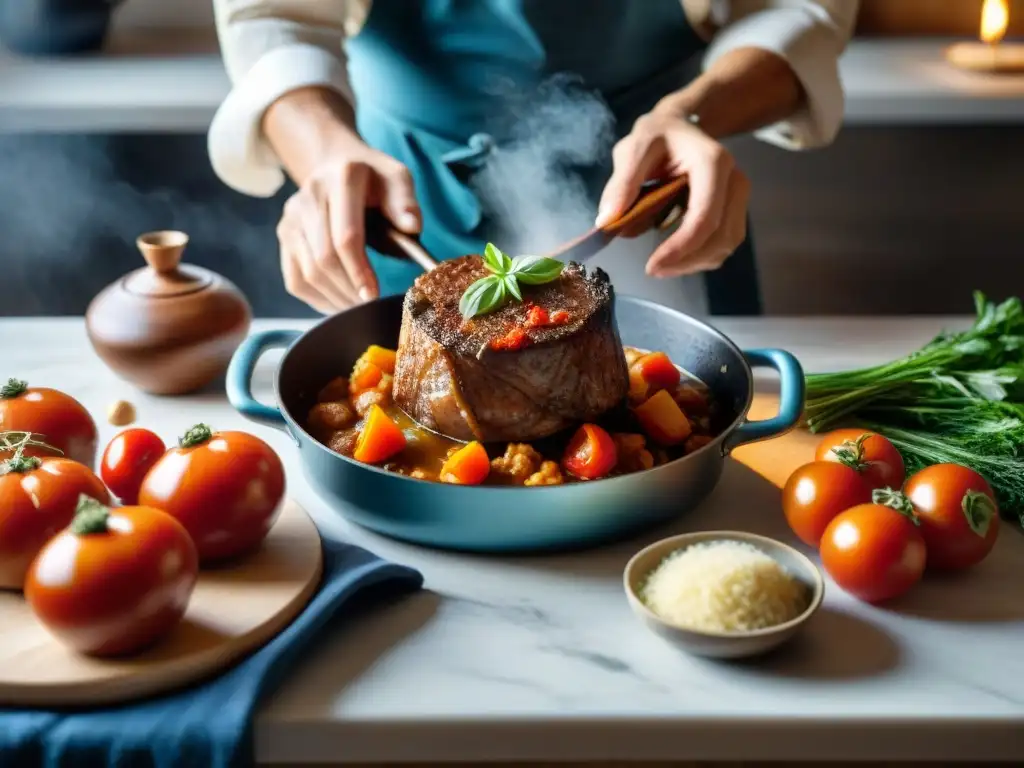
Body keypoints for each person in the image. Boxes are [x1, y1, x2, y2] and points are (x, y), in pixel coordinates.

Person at [208, 0, 858, 315]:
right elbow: (274, 15)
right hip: (399, 201)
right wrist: (323, 151)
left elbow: (796, 11)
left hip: (654, 197)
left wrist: (687, 116)